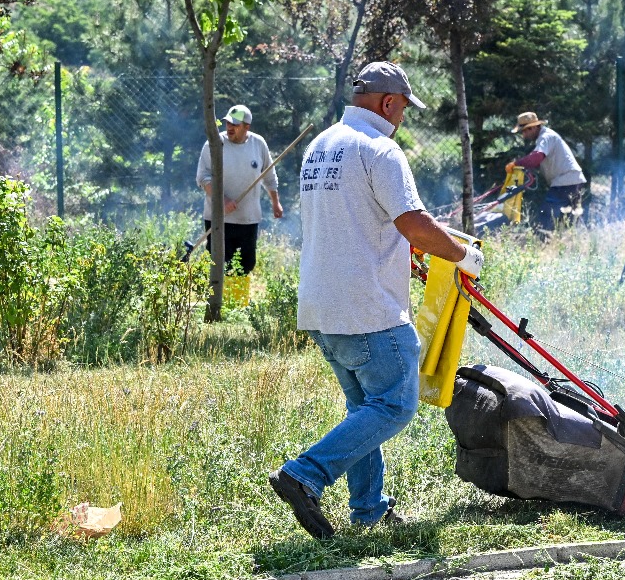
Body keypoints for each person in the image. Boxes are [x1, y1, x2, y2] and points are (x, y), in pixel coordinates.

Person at [269, 62, 483, 539]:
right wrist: (463, 255)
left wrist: (401, 250)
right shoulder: (380, 148)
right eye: (403, 107)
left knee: (364, 407)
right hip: (368, 308)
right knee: (394, 406)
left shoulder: (321, 146)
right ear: (388, 102)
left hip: (321, 306)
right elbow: (415, 225)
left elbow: (355, 220)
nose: (402, 117)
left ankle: (368, 509)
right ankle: (305, 474)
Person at [195, 104, 283, 277]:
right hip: (219, 219)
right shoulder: (214, 144)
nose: (229, 127)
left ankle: (238, 295)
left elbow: (269, 176)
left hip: (248, 219)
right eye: (228, 123)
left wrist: (275, 203)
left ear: (246, 126)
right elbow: (203, 178)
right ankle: (219, 296)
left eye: (235, 124)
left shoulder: (258, 144)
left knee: (246, 266)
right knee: (219, 266)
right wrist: (223, 201)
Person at [510, 111, 587, 233]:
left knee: (546, 215)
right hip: (571, 180)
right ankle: (571, 239)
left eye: (525, 131)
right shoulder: (546, 137)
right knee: (570, 218)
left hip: (565, 181)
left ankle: (544, 240)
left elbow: (536, 158)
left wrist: (515, 164)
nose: (524, 135)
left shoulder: (546, 137)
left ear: (533, 127)